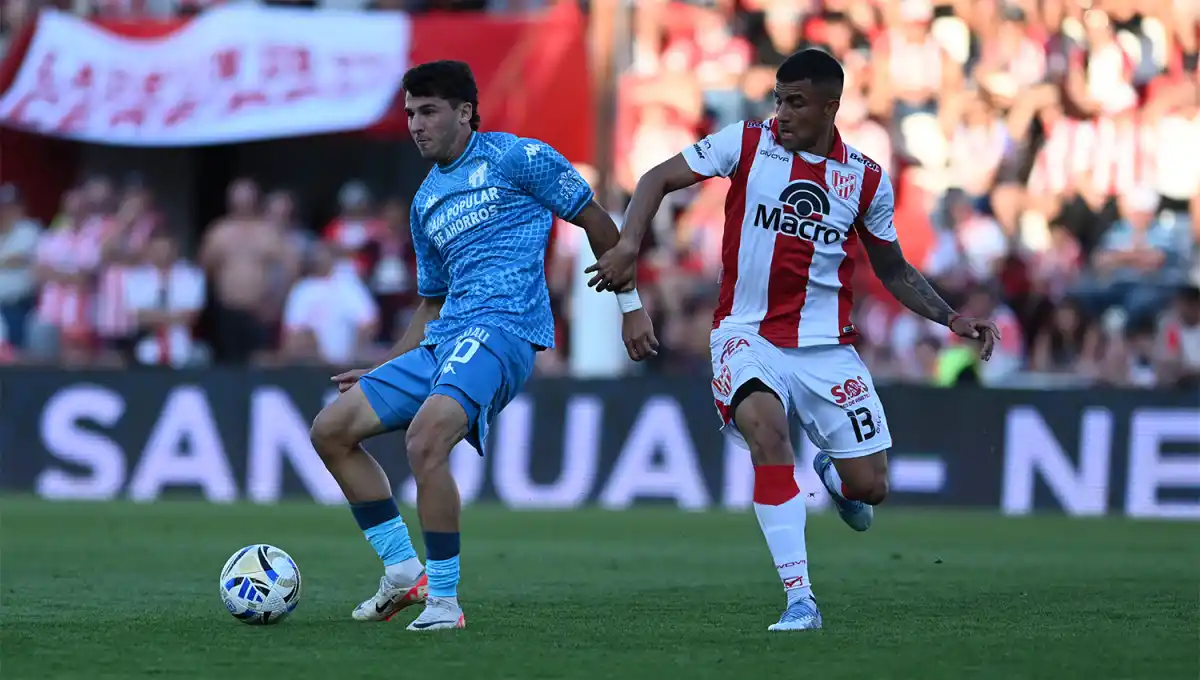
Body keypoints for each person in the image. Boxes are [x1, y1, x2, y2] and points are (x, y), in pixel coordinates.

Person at [587, 49, 999, 631]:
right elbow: (656, 178)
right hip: (745, 334)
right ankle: (800, 597)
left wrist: (952, 318)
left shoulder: (866, 179)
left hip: (826, 348)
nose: (781, 112)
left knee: (871, 487)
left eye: (797, 102)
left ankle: (836, 477)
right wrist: (629, 243)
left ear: (832, 107)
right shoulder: (746, 142)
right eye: (779, 98)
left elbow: (895, 270)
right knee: (766, 428)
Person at [308, 60, 659, 632]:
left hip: (504, 331)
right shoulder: (426, 201)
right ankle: (402, 571)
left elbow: (599, 225)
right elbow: (431, 304)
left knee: (425, 440)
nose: (416, 125)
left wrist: (630, 309)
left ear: (465, 112)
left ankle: (444, 603)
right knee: (331, 431)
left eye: (428, 112)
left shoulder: (518, 157)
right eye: (409, 114)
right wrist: (384, 366)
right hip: (445, 339)